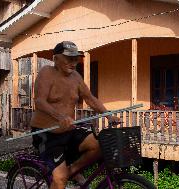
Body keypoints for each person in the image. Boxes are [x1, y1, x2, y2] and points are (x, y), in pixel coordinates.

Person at [30, 41, 119, 189]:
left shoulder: (76, 77)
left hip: (69, 131)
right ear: (56, 58)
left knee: (101, 145)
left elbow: (90, 98)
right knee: (60, 179)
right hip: (47, 134)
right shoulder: (46, 73)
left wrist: (108, 115)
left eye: (76, 58)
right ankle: (63, 176)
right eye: (69, 58)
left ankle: (72, 171)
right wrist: (60, 117)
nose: (74, 62)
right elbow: (39, 101)